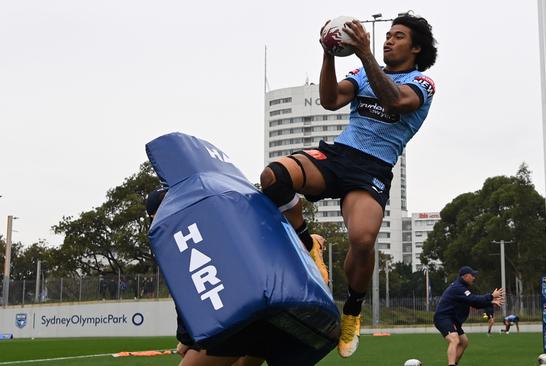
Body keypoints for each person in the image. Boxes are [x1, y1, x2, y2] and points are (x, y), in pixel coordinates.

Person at [260, 13, 437, 358]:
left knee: (362, 238)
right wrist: (328, 53)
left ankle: (352, 311)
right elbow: (330, 100)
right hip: (340, 154)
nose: (388, 40)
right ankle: (307, 242)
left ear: (416, 48)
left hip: (373, 168)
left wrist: (365, 55)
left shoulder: (423, 83)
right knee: (274, 177)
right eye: (387, 35)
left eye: (397, 36)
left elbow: (396, 102)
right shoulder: (362, 74)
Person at [145, 189, 264, 366]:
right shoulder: (204, 224)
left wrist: (186, 339)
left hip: (231, 321)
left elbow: (188, 295)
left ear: (154, 216)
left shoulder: (176, 242)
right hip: (260, 317)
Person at [434, 266, 504, 366]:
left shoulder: (462, 288)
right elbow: (473, 299)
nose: (474, 278)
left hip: (452, 320)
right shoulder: (458, 287)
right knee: (454, 339)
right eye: (472, 275)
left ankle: (454, 363)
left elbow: (475, 303)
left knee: (464, 342)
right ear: (465, 276)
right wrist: (491, 295)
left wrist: (490, 302)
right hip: (443, 318)